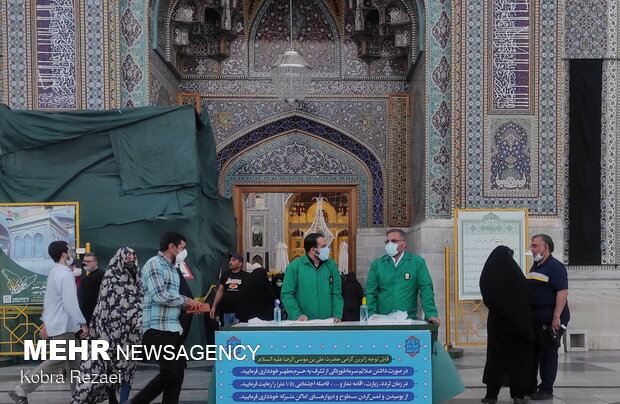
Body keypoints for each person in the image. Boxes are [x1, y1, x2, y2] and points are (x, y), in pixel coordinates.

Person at [9, 241, 88, 404]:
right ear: (64, 255)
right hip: (64, 327)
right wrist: (82, 323)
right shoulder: (65, 275)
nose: (72, 254)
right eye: (69, 251)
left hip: (60, 325)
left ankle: (78, 397)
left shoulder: (54, 272)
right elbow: (70, 303)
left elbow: (50, 302)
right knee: (59, 360)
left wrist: (46, 323)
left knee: (74, 363)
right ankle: (21, 390)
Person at [130, 231, 201, 404]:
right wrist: (185, 301)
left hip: (172, 327)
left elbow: (172, 296)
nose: (183, 251)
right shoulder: (154, 264)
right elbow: (159, 295)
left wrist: (190, 305)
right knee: (169, 372)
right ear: (172, 247)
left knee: (177, 374)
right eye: (182, 247)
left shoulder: (172, 268)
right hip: (157, 328)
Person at [71, 247, 142, 404]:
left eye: (132, 258)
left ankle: (123, 400)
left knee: (128, 370)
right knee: (110, 368)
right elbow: (105, 306)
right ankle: (112, 398)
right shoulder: (110, 279)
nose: (129, 261)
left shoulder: (137, 278)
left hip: (131, 335)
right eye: (126, 258)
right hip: (110, 333)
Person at [479, 246, 534, 404]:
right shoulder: (515, 275)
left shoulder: (488, 277)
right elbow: (524, 298)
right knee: (519, 362)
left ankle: (491, 396)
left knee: (495, 361)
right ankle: (518, 395)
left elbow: (489, 296)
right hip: (517, 327)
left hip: (497, 326)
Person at [527, 234, 570, 401]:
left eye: (534, 246)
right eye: (532, 246)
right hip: (537, 320)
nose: (532, 249)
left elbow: (562, 292)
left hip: (552, 320)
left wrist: (556, 317)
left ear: (545, 247)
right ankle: (533, 387)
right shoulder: (536, 266)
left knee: (548, 355)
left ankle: (546, 389)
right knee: (537, 354)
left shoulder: (555, 267)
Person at [365, 229, 440, 324]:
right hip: (382, 319)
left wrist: (431, 314)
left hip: (407, 319)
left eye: (393, 241)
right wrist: (371, 314)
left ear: (404, 244)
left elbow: (426, 288)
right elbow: (370, 292)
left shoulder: (417, 263)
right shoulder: (377, 265)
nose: (389, 244)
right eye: (387, 241)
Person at [281, 233, 343, 321]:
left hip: (328, 322)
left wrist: (337, 314)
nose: (328, 249)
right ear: (313, 250)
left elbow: (337, 292)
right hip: (303, 323)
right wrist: (296, 314)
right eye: (324, 246)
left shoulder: (331, 265)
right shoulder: (295, 267)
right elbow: (287, 294)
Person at [209, 253, 248, 326]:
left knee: (237, 335)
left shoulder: (246, 276)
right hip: (226, 311)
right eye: (230, 260)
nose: (230, 262)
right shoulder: (225, 275)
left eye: (233, 260)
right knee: (227, 334)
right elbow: (220, 291)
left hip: (240, 311)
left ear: (240, 264)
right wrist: (214, 307)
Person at [78, 252, 105, 325]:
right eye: (84, 261)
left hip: (91, 317)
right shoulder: (104, 274)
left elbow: (84, 302)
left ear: (95, 262)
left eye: (89, 261)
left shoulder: (88, 279)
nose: (86, 263)